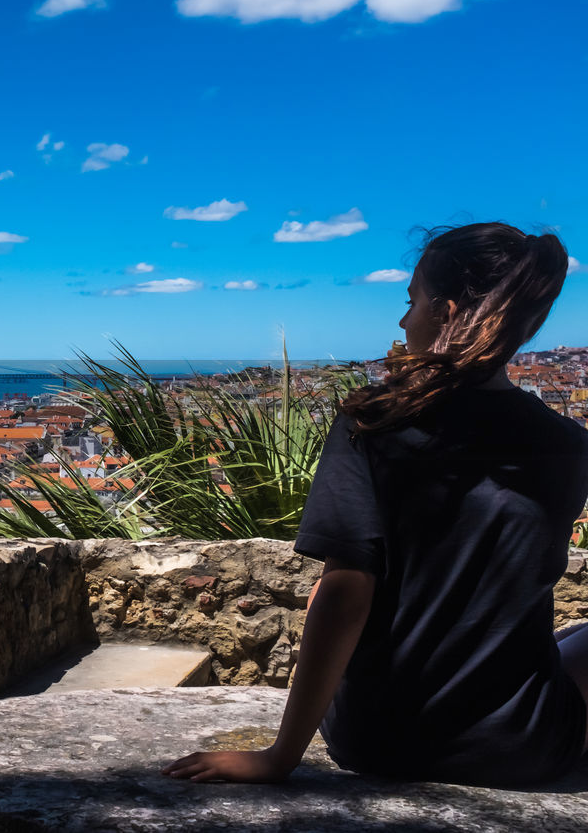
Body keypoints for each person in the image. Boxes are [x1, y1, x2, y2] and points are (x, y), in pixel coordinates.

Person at [161, 222, 588, 786]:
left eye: (411, 301)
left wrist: (279, 755)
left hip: (379, 738)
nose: (402, 320)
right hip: (518, 747)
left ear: (446, 311)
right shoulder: (567, 444)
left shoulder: (377, 422)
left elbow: (343, 592)